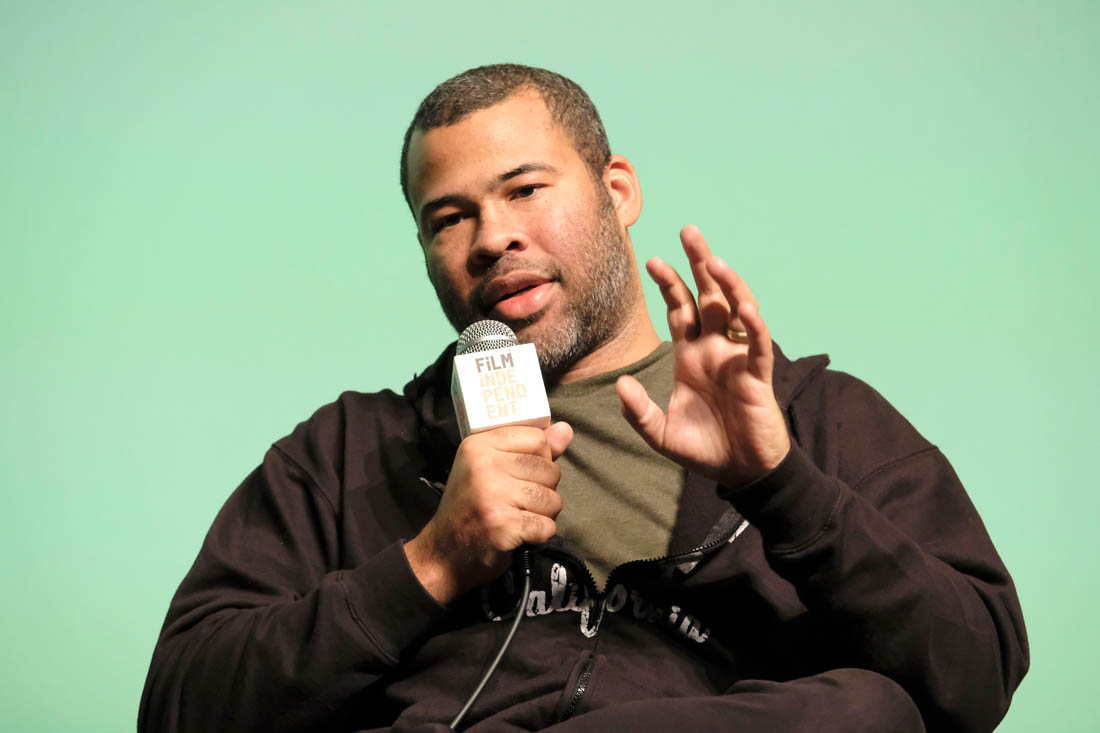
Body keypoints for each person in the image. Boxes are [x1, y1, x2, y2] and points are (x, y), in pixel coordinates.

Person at [139, 64, 1028, 732]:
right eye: (448, 218)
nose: (492, 238)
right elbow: (181, 704)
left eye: (525, 189)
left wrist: (781, 483)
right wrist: (430, 564)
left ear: (618, 190)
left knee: (866, 713)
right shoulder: (349, 454)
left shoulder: (816, 419)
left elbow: (972, 676)